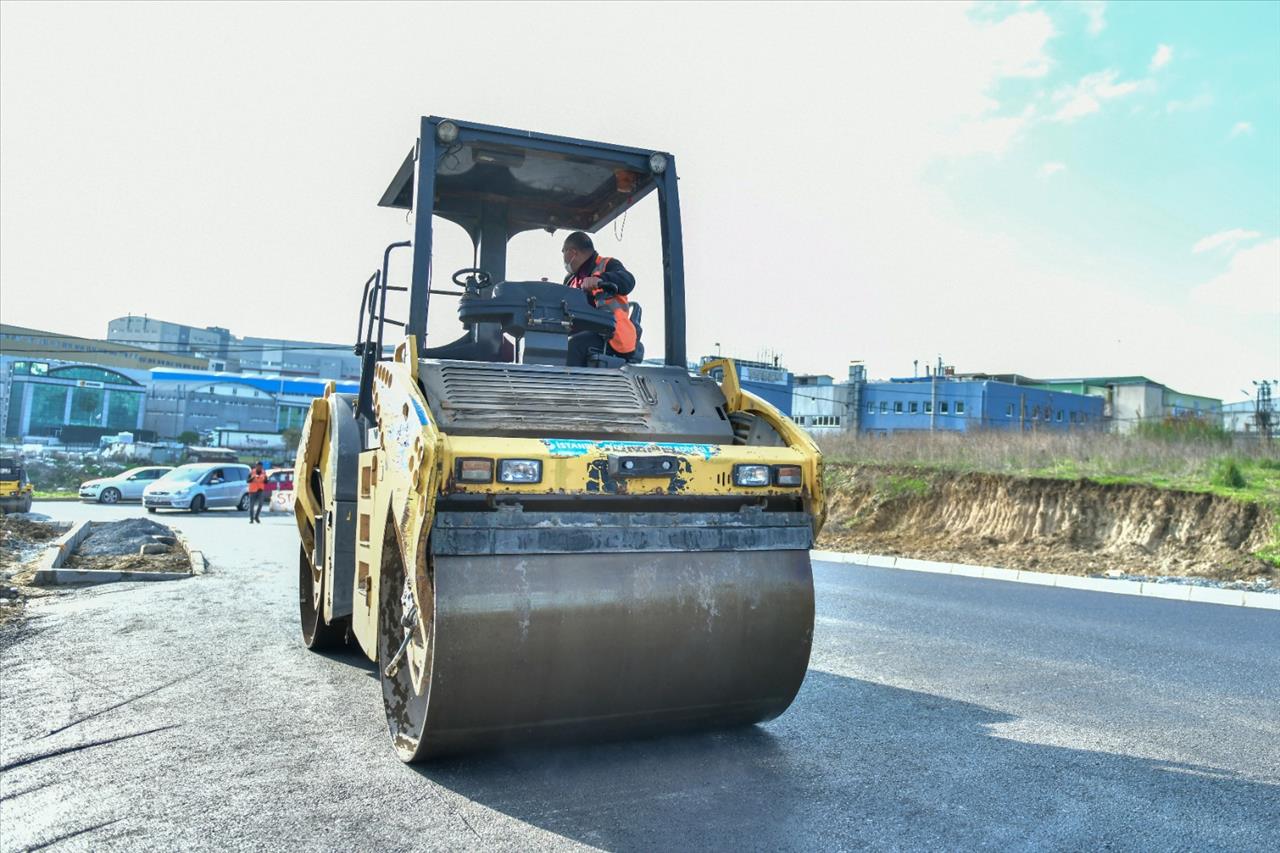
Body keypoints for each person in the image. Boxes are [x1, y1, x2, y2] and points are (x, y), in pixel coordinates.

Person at [561, 231, 638, 365]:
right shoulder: (570, 280)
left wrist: (600, 279)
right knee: (553, 344)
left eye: (563, 252)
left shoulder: (608, 265)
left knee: (572, 346)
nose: (563, 257)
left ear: (572, 253)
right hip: (583, 331)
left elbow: (628, 280)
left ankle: (570, 385)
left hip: (611, 335)